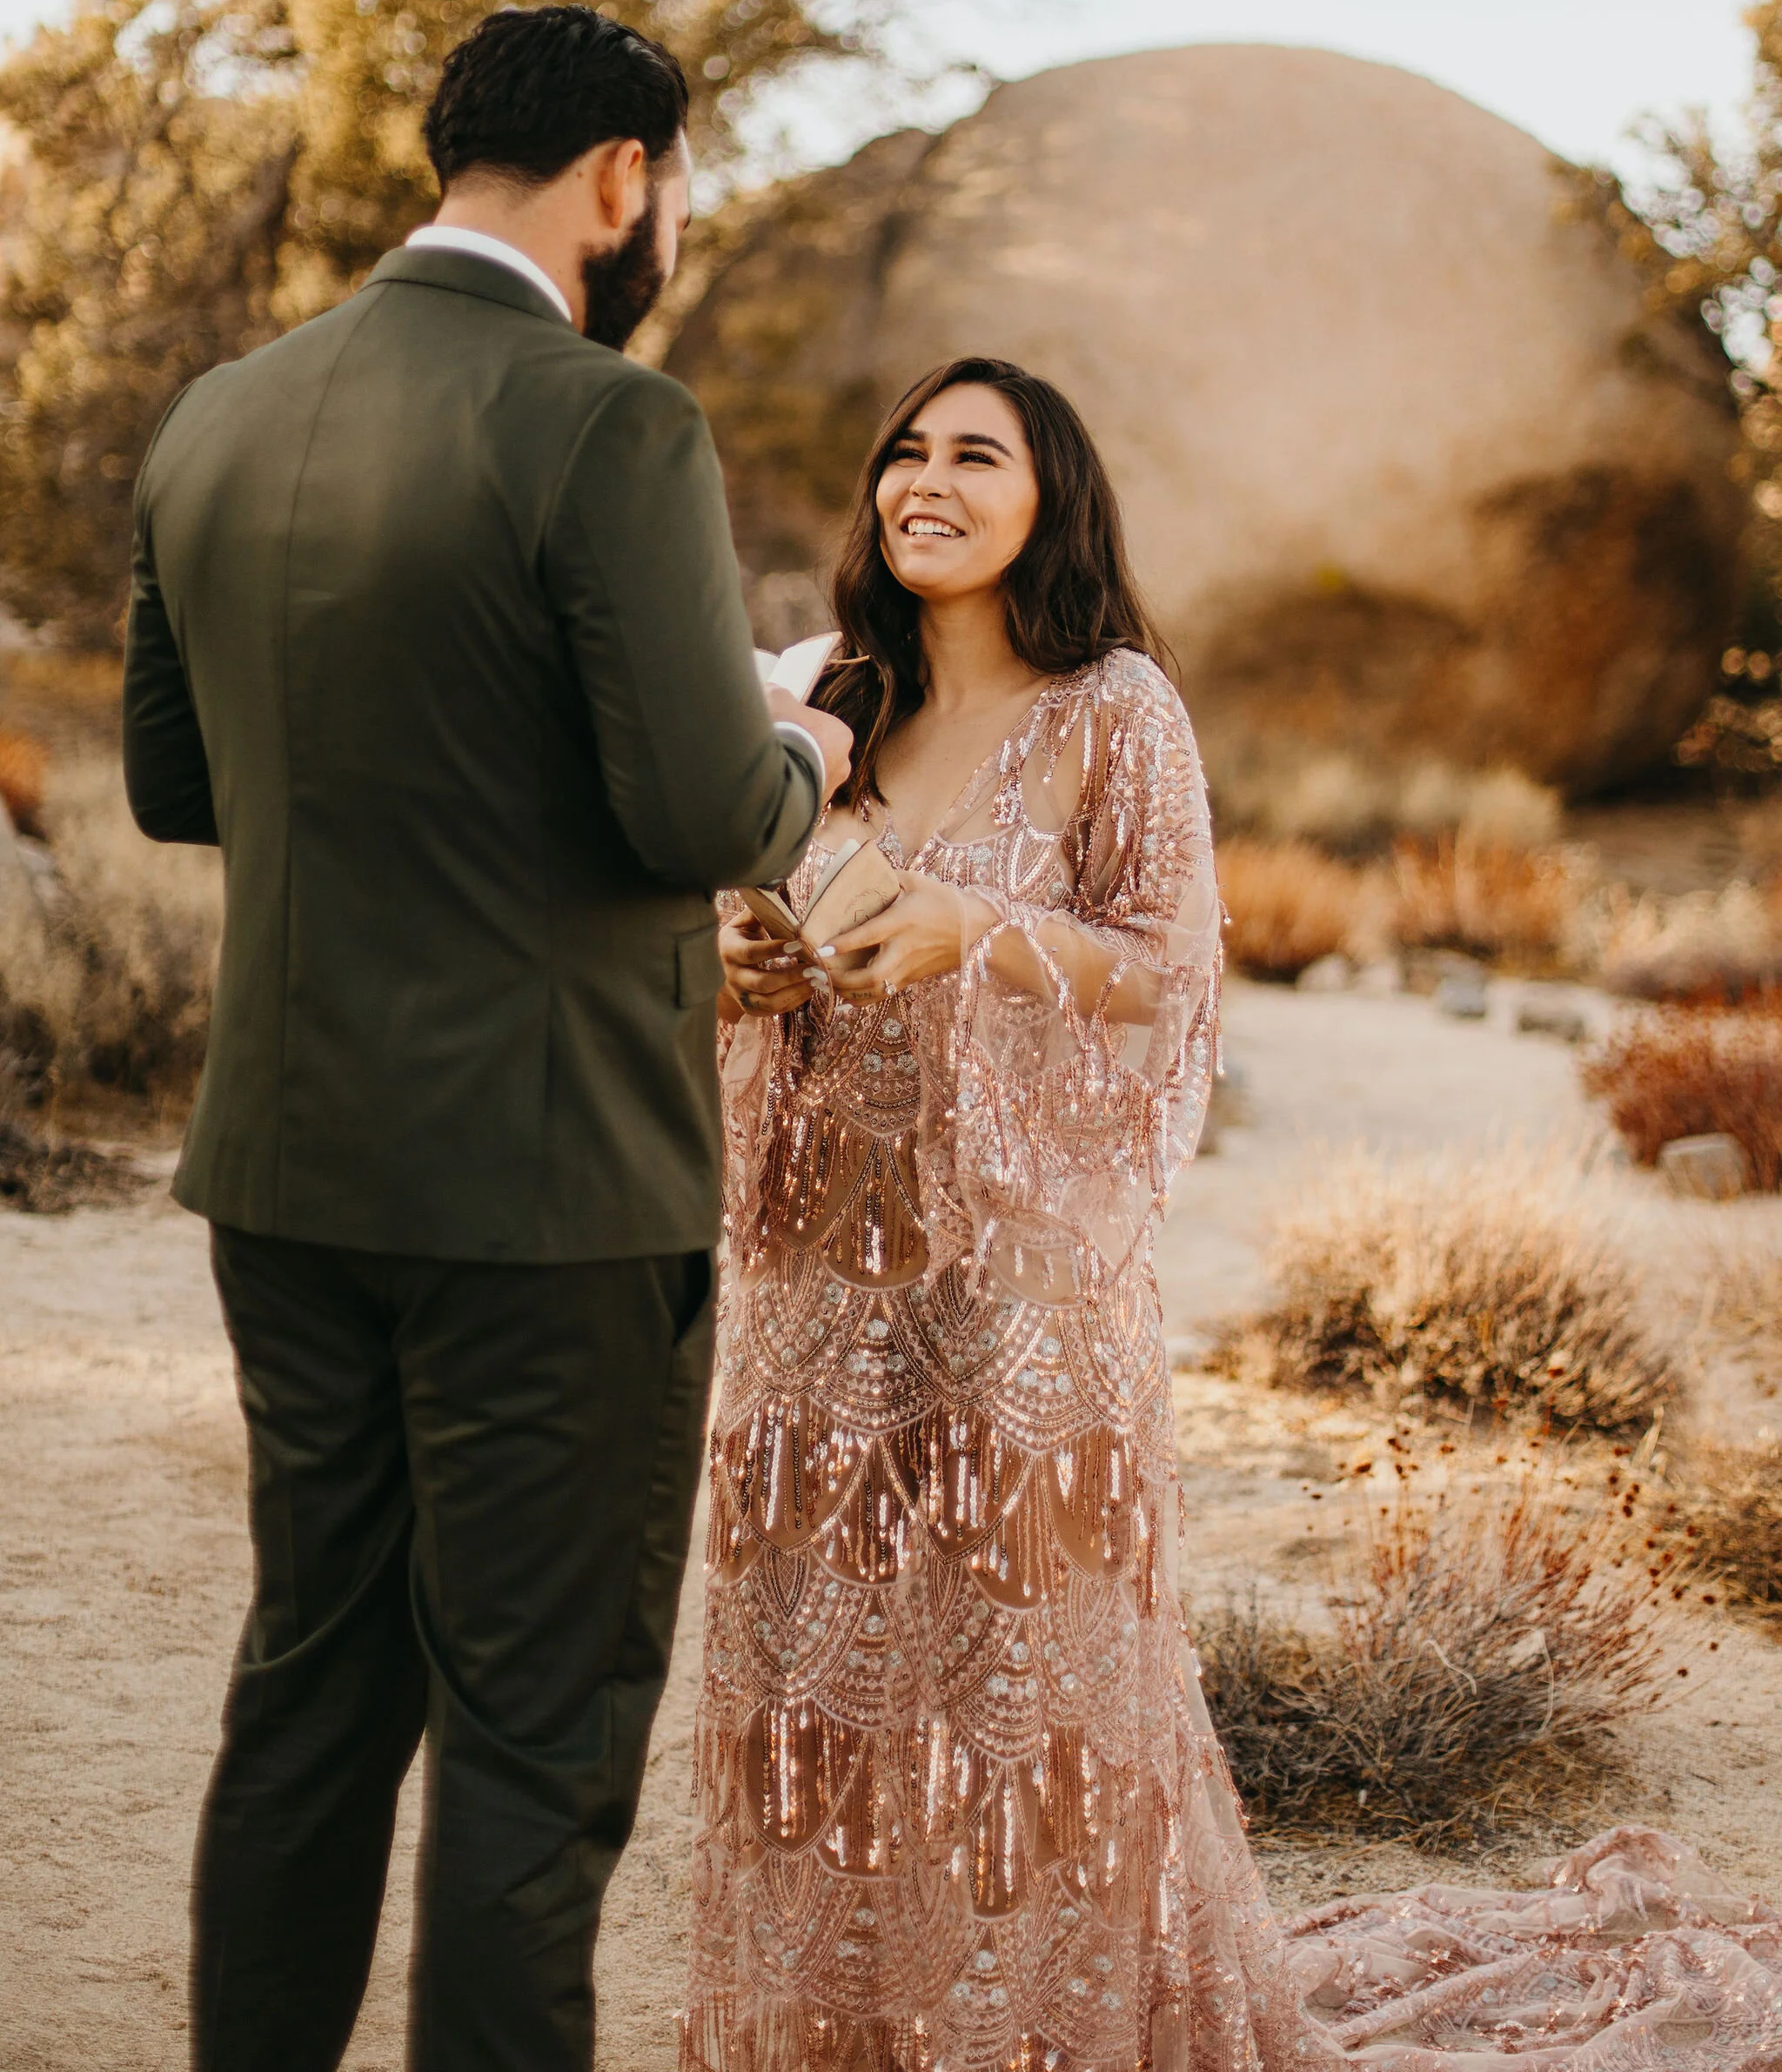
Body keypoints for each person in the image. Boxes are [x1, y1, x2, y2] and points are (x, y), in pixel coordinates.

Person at [683, 356, 1782, 2071]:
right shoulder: (835, 699)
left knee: (1032, 1683)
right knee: (814, 1681)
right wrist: (753, 964)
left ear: (1054, 502)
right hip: (822, 1269)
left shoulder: (1111, 705)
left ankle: (1050, 2031)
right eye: (905, 450)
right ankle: (840, 2026)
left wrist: (971, 930)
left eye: (978, 454)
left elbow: (1167, 968)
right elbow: (742, 947)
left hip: (1022, 1278)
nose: (927, 478)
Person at [122, 3, 852, 2072]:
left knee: (313, 1690)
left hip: (281, 1171)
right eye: (679, 189)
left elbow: (183, 790)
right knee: (537, 1750)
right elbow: (706, 820)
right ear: (625, 174)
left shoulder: (215, 418)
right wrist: (797, 731)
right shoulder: (612, 425)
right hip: (554, 1208)